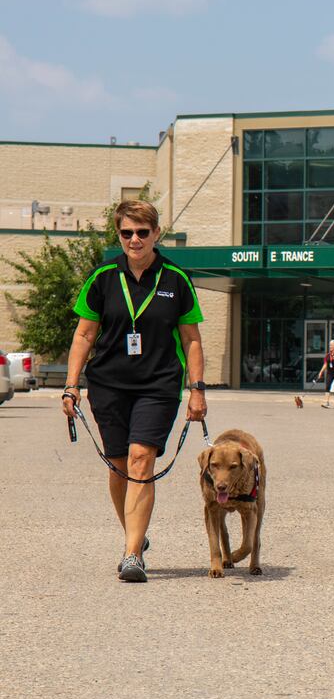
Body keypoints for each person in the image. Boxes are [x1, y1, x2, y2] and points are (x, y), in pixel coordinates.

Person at [61, 199, 208, 583]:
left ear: (156, 234)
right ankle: (136, 535)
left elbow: (191, 339)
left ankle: (132, 555)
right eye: (127, 233)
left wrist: (197, 389)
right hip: (108, 385)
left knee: (141, 458)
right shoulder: (103, 277)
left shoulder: (176, 280)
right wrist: (71, 386)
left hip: (158, 384)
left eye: (143, 232)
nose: (135, 239)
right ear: (119, 235)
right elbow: (84, 335)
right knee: (119, 466)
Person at [316, 339, 334, 408]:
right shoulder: (328, 355)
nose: (330, 347)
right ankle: (327, 403)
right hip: (330, 373)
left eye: (331, 345)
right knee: (327, 387)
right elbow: (325, 364)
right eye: (330, 345)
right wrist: (321, 372)